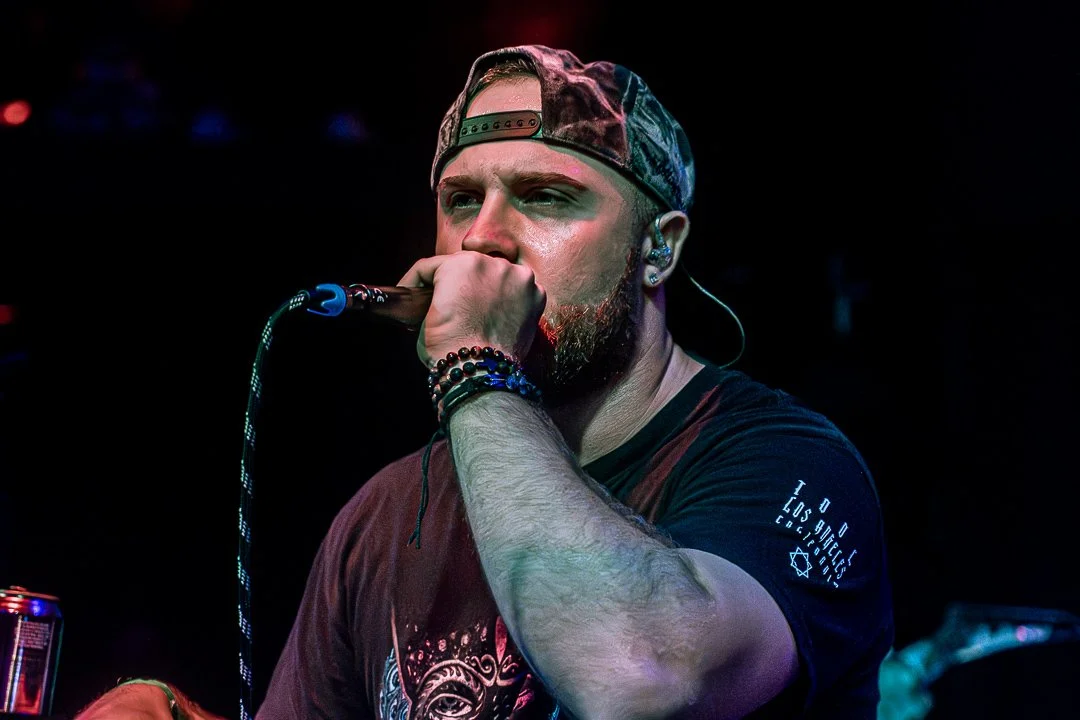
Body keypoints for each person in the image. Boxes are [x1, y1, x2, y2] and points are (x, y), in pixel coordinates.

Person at [74, 44, 894, 719]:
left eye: (545, 196)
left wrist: (472, 365)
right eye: (462, 200)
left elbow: (638, 675)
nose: (486, 240)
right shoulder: (388, 513)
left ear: (658, 248)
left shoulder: (784, 464)